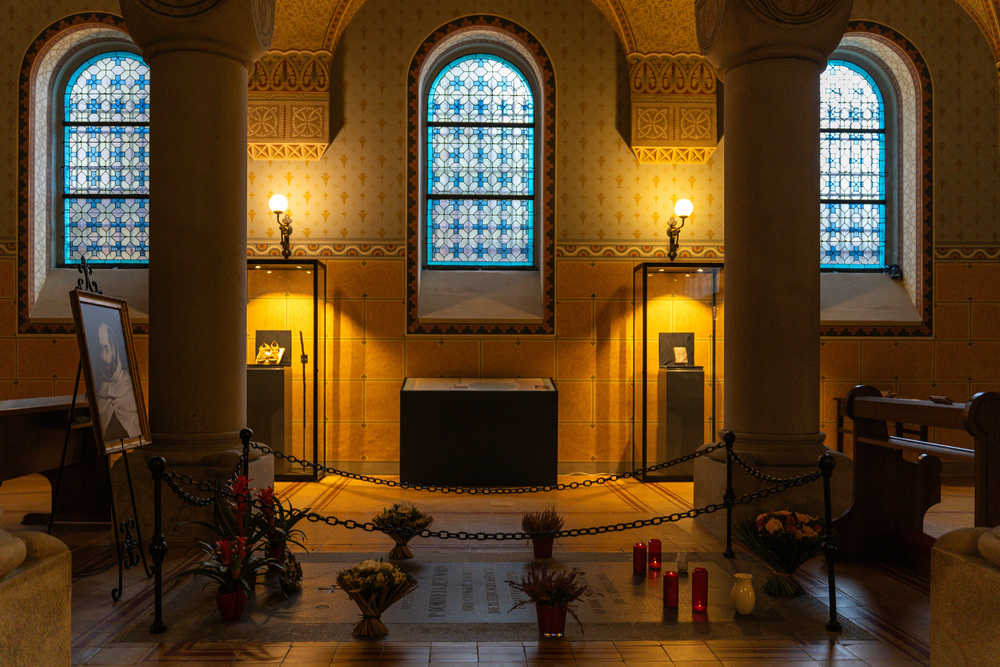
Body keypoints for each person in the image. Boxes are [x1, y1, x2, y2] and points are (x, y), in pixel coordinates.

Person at [94, 321, 141, 443]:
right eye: (100, 349)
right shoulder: (100, 391)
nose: (104, 357)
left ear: (114, 348)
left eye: (106, 348)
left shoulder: (129, 389)